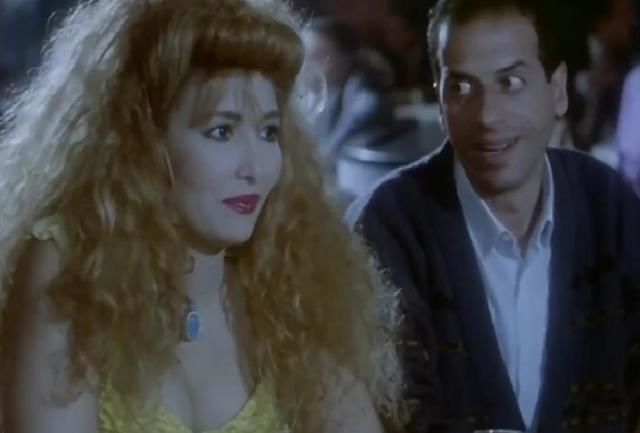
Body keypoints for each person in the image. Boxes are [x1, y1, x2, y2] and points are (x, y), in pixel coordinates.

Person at [0, 0, 406, 432]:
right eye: (221, 131)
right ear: (143, 141)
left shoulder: (289, 272)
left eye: (268, 131)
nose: (255, 167)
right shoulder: (66, 266)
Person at [346, 0, 640, 432]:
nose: (487, 117)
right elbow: (389, 413)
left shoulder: (607, 204)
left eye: (511, 82)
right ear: (440, 99)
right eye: (462, 88)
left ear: (557, 90)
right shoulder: (385, 228)